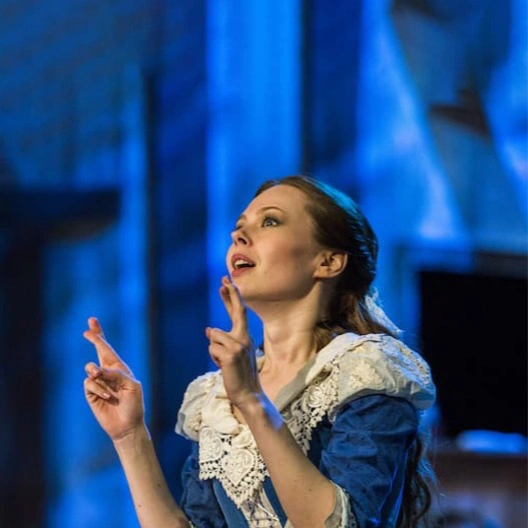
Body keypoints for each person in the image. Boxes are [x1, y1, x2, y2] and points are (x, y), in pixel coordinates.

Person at [83, 175, 436, 528]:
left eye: (270, 221)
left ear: (328, 262)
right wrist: (130, 436)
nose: (238, 234)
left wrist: (251, 400)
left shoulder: (365, 370)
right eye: (239, 226)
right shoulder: (216, 397)